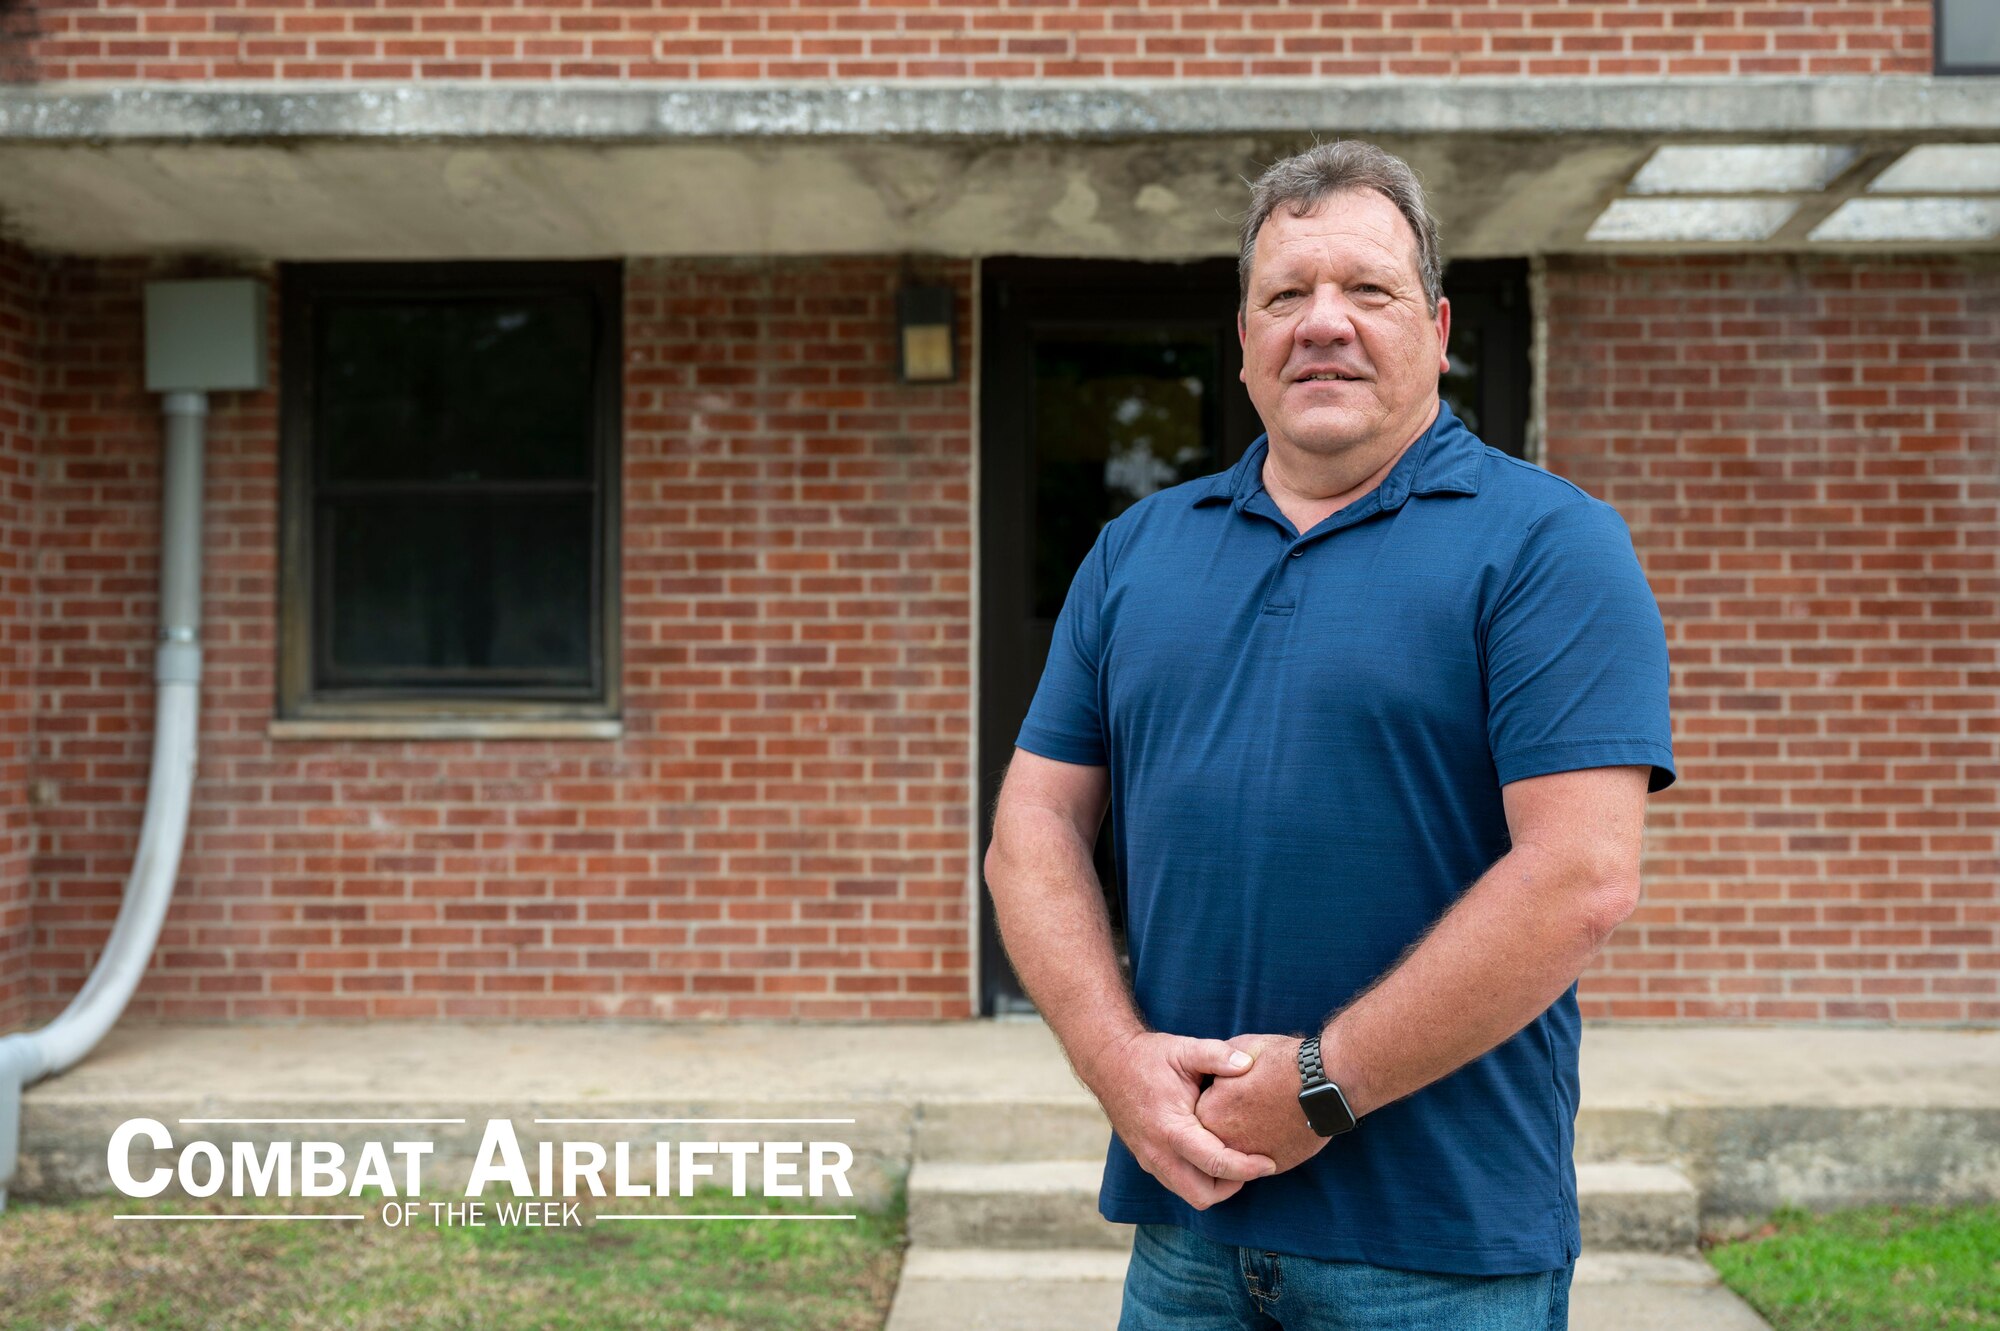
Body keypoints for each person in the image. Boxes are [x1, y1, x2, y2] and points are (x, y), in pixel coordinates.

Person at [982, 139, 1676, 1331]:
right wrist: (1113, 1062)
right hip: (1188, 1232)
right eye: (1284, 294)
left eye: (1366, 289)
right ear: (1242, 338)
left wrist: (1317, 1086)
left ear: (1437, 325)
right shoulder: (1136, 552)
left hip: (1439, 1251)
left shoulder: (1545, 544)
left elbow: (1579, 874)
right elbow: (1032, 827)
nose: (1322, 323)